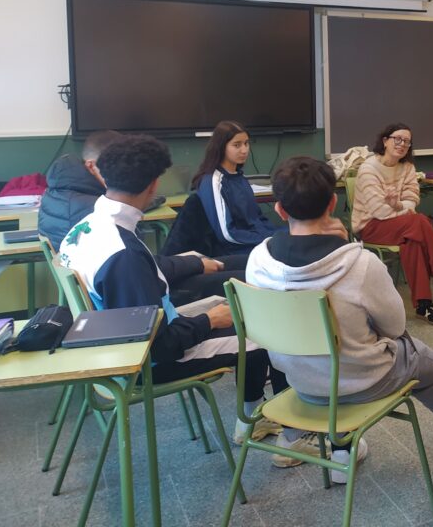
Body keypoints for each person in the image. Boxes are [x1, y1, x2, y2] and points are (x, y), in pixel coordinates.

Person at [245, 156, 433, 482]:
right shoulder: (360, 263)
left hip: (301, 383)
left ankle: (343, 450)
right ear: (333, 203)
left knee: (334, 358)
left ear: (279, 210)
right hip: (365, 382)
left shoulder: (257, 259)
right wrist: (347, 246)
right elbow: (395, 327)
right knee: (425, 360)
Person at [58, 134, 285, 446]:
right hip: (145, 360)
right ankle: (263, 424)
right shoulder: (124, 255)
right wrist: (209, 321)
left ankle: (256, 415)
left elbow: (143, 286)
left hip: (118, 337)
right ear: (154, 185)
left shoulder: (87, 227)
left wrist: (195, 272)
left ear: (102, 175)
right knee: (267, 337)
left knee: (232, 308)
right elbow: (160, 346)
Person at [39, 130, 242, 306]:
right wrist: (210, 320)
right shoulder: (123, 251)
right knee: (242, 286)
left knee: (233, 265)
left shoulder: (87, 222)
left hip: (120, 312)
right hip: (152, 322)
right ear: (154, 185)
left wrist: (192, 263)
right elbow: (155, 333)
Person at [351, 123, 433, 327]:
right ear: (385, 141)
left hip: (402, 226)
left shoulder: (408, 168)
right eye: (397, 139)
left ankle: (424, 305)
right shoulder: (369, 169)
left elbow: (412, 199)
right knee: (420, 221)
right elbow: (380, 211)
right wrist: (401, 207)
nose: (402, 144)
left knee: (413, 240)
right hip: (370, 227)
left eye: (407, 141)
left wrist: (398, 205)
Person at [192, 120, 277, 256]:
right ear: (221, 147)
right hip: (235, 250)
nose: (244, 150)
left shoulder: (239, 177)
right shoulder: (213, 181)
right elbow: (227, 234)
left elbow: (258, 218)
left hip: (257, 241)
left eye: (246, 143)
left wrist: (276, 236)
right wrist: (268, 241)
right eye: (237, 145)